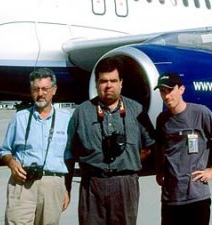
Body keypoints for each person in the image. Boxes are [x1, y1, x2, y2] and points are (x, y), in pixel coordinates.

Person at [66, 56, 155, 225]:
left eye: (113, 81)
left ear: (121, 82)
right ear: (96, 84)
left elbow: (150, 145)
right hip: (92, 185)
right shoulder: (82, 112)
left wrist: (128, 161)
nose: (108, 86)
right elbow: (69, 151)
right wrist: (67, 186)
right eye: (103, 81)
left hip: (125, 184)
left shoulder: (136, 110)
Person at [154, 72, 212, 225]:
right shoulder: (162, 119)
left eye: (170, 90)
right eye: (162, 92)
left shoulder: (200, 113)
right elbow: (159, 146)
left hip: (196, 197)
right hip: (171, 197)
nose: (166, 96)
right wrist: (159, 171)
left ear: (181, 89)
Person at [0, 68, 72, 225]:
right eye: (36, 89)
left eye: (45, 89)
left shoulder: (66, 119)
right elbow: (4, 150)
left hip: (53, 185)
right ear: (31, 91)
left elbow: (68, 157)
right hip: (23, 184)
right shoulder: (20, 118)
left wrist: (66, 188)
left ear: (54, 90)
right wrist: (12, 163)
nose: (40, 94)